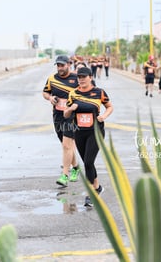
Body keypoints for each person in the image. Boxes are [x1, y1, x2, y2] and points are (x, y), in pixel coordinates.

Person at [63, 67, 114, 207]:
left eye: (84, 77)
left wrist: (103, 116)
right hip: (79, 132)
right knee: (87, 162)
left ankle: (90, 193)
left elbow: (110, 107)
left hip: (95, 131)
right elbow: (65, 115)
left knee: (88, 162)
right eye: (79, 77)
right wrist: (70, 109)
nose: (81, 79)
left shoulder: (99, 92)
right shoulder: (73, 94)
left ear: (90, 77)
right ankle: (97, 187)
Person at [42, 55, 82, 187]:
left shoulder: (77, 78)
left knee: (66, 145)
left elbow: (88, 91)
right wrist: (50, 98)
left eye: (62, 65)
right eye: (58, 65)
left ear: (69, 64)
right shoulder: (52, 79)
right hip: (58, 115)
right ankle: (75, 167)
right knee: (66, 145)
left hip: (72, 117)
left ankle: (65, 175)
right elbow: (45, 92)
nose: (60, 68)